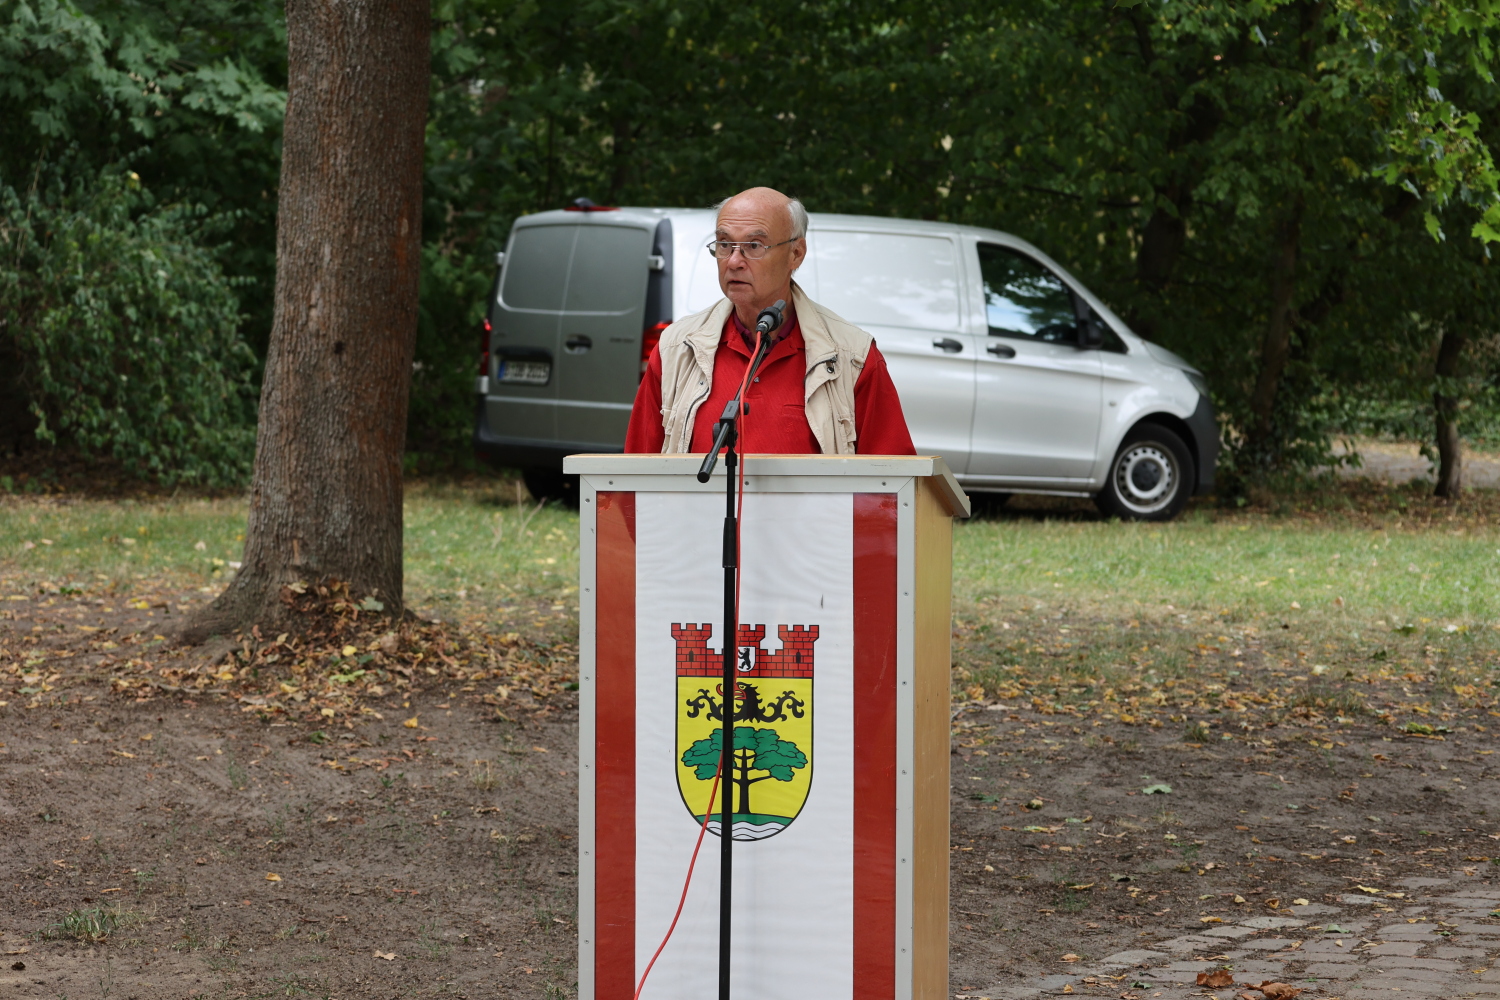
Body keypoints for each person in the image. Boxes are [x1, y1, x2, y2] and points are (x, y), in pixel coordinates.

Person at [624, 186, 916, 455]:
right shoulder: (677, 349)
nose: (734, 260)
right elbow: (634, 471)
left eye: (754, 245)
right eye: (724, 244)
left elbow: (892, 482)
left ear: (796, 254)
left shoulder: (853, 356)